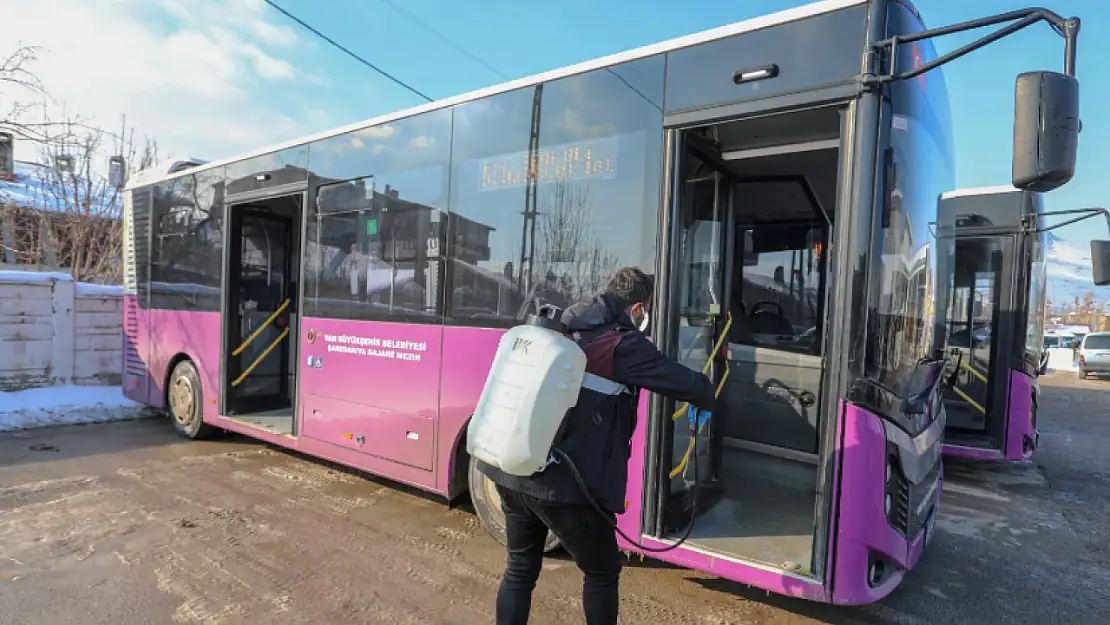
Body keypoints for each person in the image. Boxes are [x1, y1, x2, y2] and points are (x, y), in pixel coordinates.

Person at [476, 266, 718, 625]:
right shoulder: (622, 344)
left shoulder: (565, 324)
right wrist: (713, 388)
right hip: (569, 486)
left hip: (513, 470)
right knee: (602, 573)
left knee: (520, 569)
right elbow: (691, 386)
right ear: (638, 308)